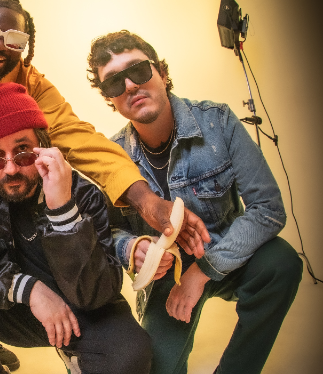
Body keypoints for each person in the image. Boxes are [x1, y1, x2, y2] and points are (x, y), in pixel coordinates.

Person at [0, 0, 209, 374]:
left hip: (17, 203)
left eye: (13, 39)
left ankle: (20, 330)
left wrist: (143, 201)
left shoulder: (35, 90)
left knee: (4, 262)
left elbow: (79, 138)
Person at [86, 30, 303, 374]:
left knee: (282, 263)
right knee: (156, 368)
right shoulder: (112, 157)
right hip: (166, 277)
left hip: (230, 254)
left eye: (138, 70)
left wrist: (201, 272)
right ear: (109, 98)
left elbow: (268, 209)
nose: (129, 86)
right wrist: (132, 248)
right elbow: (105, 233)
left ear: (162, 73)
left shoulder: (218, 121)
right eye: (113, 82)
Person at [0, 82, 152, 374]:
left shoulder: (83, 194)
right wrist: (26, 289)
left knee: (132, 355)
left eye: (22, 152)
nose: (10, 169)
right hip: (17, 305)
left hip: (83, 310)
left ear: (43, 148)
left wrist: (63, 209)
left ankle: (75, 353)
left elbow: (98, 294)